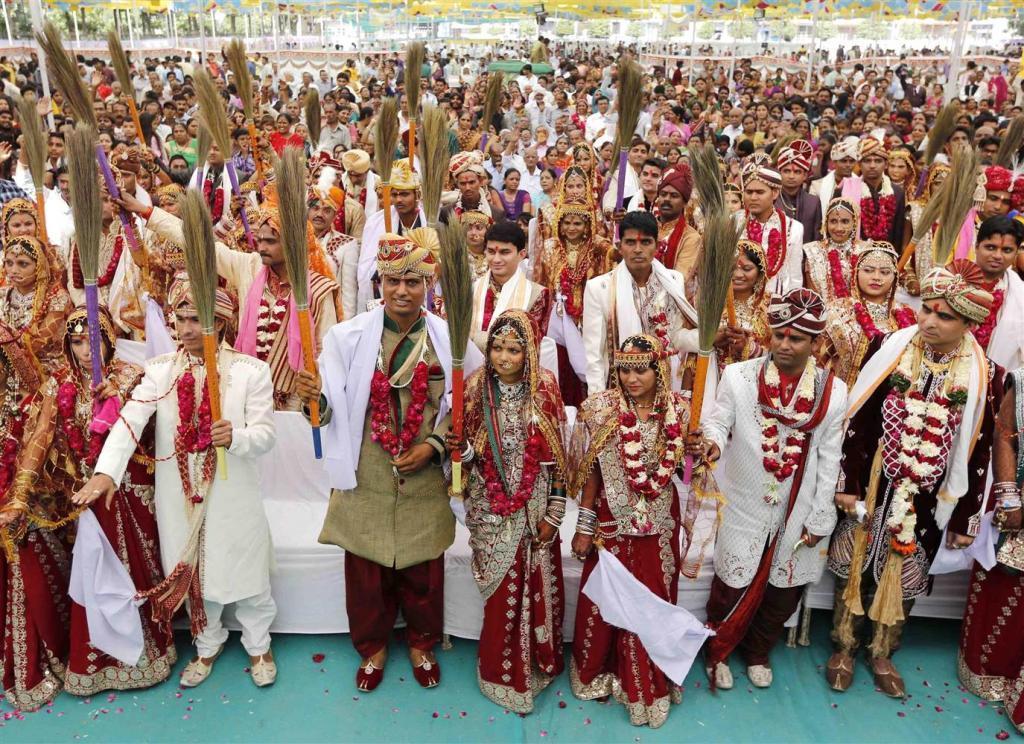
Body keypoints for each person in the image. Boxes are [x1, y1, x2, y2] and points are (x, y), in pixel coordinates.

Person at [75, 278, 280, 689]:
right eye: (180, 319)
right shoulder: (160, 371)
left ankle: (259, 645)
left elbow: (267, 435)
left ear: (219, 323)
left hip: (231, 491)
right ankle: (208, 644)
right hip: (178, 494)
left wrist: (235, 437)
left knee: (244, 569)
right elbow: (131, 420)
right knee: (195, 576)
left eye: (195, 320)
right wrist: (106, 471)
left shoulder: (249, 372)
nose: (185, 329)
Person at [826, 261, 1001, 697]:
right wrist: (847, 483)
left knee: (905, 561)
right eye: (926, 309)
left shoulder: (990, 376)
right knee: (857, 557)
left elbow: (979, 451)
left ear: (969, 323)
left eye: (944, 316)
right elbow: (860, 420)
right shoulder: (888, 347)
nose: (928, 321)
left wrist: (964, 518)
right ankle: (844, 646)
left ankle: (883, 650)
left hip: (929, 489)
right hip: (874, 478)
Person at [298, 229, 459, 692]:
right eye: (392, 282)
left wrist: (432, 447)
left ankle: (422, 643)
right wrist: (314, 400)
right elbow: (326, 405)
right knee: (366, 573)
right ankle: (373, 647)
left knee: (425, 570)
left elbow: (463, 409)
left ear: (427, 284)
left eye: (412, 281)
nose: (402, 291)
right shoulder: (346, 338)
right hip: (367, 468)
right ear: (379, 285)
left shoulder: (448, 339)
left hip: (425, 471)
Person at [693, 289, 847, 690]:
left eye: (796, 338)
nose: (783, 344)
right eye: (778, 334)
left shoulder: (834, 392)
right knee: (731, 581)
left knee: (785, 590)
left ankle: (758, 652)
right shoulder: (739, 377)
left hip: (800, 507)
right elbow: (718, 422)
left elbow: (830, 458)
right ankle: (718, 651)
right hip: (744, 499)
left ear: (815, 343)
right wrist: (710, 443)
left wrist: (821, 515)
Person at [119, 192, 342, 410]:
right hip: (248, 394)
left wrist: (314, 391)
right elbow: (201, 243)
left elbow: (327, 350)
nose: (261, 247)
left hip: (295, 402)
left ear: (292, 245)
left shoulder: (318, 289)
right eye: (260, 240)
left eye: (270, 241)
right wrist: (146, 211)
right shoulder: (251, 268)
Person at [569, 334, 689, 728]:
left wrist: (700, 452)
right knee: (605, 604)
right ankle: (600, 672)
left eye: (641, 370)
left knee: (652, 601)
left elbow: (687, 469)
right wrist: (584, 527)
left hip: (658, 526)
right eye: (624, 369)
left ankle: (645, 682)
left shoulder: (680, 410)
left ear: (658, 370)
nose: (631, 378)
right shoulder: (600, 410)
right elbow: (590, 476)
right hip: (612, 524)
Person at [59, 306, 177, 694]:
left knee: (131, 569)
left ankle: (148, 656)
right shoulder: (61, 385)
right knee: (94, 571)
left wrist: (122, 395)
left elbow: (156, 425)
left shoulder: (132, 376)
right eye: (77, 342)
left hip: (130, 489)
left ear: (109, 340)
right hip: (88, 491)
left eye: (92, 341)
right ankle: (96, 663)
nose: (86, 351)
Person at [455, 310, 567, 714]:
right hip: (490, 505)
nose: (503, 357)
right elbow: (468, 458)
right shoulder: (473, 389)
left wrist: (554, 512)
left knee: (535, 580)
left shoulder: (546, 390)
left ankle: (536, 666)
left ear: (530, 353)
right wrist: (462, 452)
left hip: (534, 501)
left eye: (514, 349)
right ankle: (500, 673)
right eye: (497, 348)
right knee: (501, 590)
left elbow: (557, 459)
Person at [958, 366, 1024, 734]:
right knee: (1007, 593)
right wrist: (1010, 499)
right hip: (1020, 507)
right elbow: (1005, 433)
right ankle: (994, 676)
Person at [582, 211, 696, 393]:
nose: (637, 249)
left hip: (666, 384)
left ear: (657, 246)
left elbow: (676, 336)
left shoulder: (674, 281)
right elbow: (593, 354)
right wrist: (598, 399)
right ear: (620, 247)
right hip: (622, 386)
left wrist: (708, 339)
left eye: (645, 242)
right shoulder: (598, 288)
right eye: (630, 242)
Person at [534, 183, 611, 406]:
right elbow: (542, 282)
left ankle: (590, 406)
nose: (571, 228)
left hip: (589, 317)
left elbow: (612, 257)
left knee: (589, 365)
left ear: (587, 226)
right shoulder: (550, 247)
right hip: (558, 318)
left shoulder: (595, 247)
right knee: (562, 365)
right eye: (566, 222)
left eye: (577, 223)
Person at [819, 241, 916, 386]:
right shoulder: (836, 311)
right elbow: (819, 360)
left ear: (894, 278)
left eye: (884, 272)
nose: (876, 277)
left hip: (889, 397)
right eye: (868, 270)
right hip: (841, 394)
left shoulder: (909, 316)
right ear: (856, 272)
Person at [469, 220, 550, 353]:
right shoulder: (470, 290)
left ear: (522, 254)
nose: (496, 259)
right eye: (491, 251)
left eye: (504, 252)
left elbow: (525, 346)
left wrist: (474, 337)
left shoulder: (537, 295)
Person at [357, 158, 427, 312]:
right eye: (394, 194)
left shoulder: (430, 222)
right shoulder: (376, 222)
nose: (398, 199)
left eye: (404, 194)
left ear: (417, 194)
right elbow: (365, 268)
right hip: (388, 294)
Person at [1, 234, 71, 374]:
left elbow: (39, 342)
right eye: (9, 263)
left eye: (23, 264)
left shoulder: (57, 298)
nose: (14, 270)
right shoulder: (3, 295)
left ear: (39, 266)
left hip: (49, 370)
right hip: (6, 366)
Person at [739, 156, 804, 294]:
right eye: (749, 192)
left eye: (760, 192)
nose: (753, 197)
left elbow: (795, 278)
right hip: (739, 302)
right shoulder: (733, 224)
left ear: (775, 193)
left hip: (777, 304)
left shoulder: (793, 228)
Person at [972, 216, 1024, 372]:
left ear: (1016, 252)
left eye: (1006, 250)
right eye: (990, 247)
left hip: (999, 380)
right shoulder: (952, 280)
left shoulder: (1020, 293)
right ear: (976, 246)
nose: (997, 256)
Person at [308, 170, 361, 320]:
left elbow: (349, 296)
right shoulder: (296, 241)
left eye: (327, 210)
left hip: (329, 319)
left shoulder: (347, 245)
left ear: (335, 215)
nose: (319, 214)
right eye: (315, 208)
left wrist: (345, 330)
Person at [802, 197, 864, 304]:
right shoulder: (813, 251)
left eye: (845, 222)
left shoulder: (864, 251)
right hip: (822, 314)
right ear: (826, 223)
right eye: (833, 221)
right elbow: (811, 294)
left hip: (859, 314)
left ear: (854, 224)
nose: (839, 228)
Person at [856, 138, 908, 250]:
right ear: (859, 165)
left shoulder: (897, 193)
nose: (872, 165)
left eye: (878, 161)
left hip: (888, 255)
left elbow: (898, 232)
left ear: (886, 165)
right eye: (867, 161)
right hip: (857, 256)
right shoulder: (847, 190)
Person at [655, 164, 702, 278]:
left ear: (685, 203)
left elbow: (680, 279)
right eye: (663, 194)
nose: (666, 199)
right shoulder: (644, 227)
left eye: (674, 195)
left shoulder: (691, 237)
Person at [775, 140, 822, 243]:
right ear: (779, 173)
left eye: (797, 172)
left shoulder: (813, 202)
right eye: (786, 171)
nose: (791, 176)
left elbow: (817, 237)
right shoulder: (771, 200)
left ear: (804, 176)